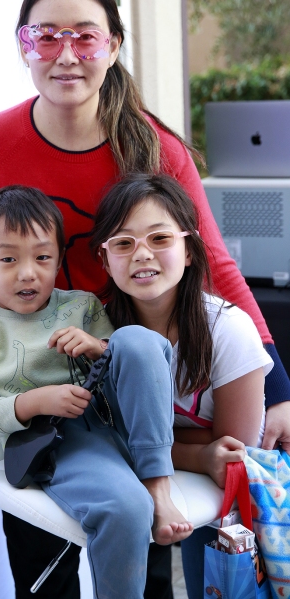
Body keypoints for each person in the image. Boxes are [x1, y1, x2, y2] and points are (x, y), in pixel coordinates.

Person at [0, 0, 290, 599]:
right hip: (33, 376)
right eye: (46, 36)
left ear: (114, 45)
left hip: (126, 370)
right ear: (23, 45)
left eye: (85, 36)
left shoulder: (153, 145)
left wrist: (279, 386)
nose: (66, 54)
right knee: (42, 562)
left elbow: (214, 263)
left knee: (140, 549)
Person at [0, 184, 193, 599]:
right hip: (60, 445)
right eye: (8, 259)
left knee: (135, 339)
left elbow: (131, 366)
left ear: (59, 259)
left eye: (42, 257)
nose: (28, 272)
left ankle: (158, 482)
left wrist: (98, 346)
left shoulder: (81, 306)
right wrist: (35, 402)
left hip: (123, 424)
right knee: (126, 508)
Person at [90, 173, 274, 599]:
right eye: (123, 243)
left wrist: (155, 444)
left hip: (228, 497)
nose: (142, 254)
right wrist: (198, 452)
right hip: (152, 486)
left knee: (212, 582)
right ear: (105, 259)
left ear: (189, 250)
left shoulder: (228, 330)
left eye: (160, 238)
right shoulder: (96, 332)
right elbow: (104, 437)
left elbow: (232, 451)